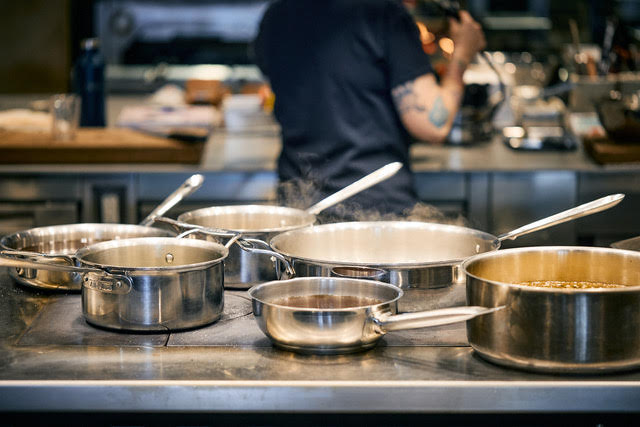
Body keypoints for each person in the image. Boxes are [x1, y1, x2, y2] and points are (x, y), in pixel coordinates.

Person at [253, 0, 485, 221]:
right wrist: (462, 54)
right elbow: (433, 125)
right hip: (373, 212)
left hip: (299, 207)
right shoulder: (383, 12)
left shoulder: (276, 15)